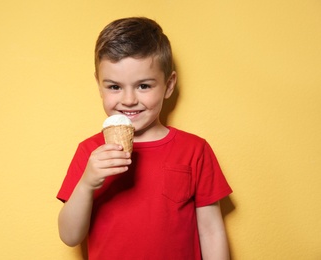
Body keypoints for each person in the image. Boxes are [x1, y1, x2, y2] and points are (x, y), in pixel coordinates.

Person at [57, 17, 232, 260]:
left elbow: (211, 231)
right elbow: (70, 236)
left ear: (168, 85)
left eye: (144, 86)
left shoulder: (195, 150)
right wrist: (87, 184)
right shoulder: (90, 152)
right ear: (99, 85)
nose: (128, 100)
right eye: (114, 87)